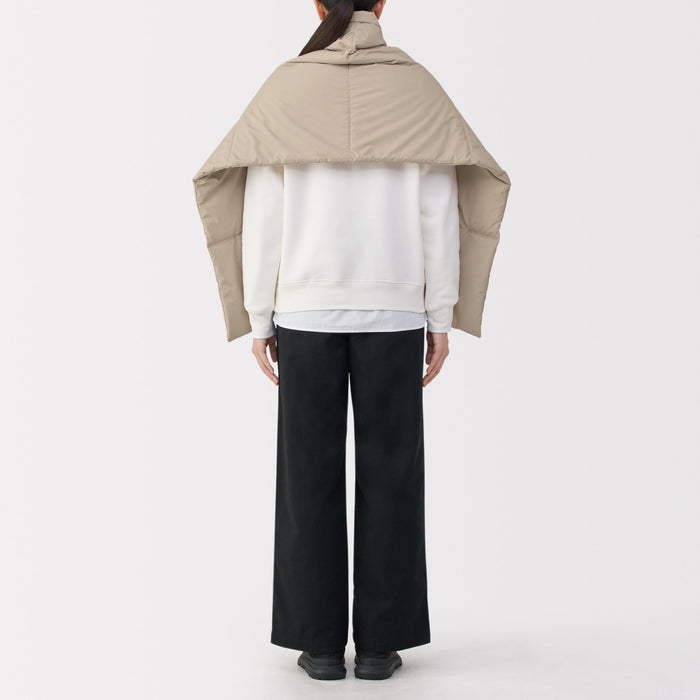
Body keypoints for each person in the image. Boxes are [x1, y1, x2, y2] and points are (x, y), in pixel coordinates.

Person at [192, 0, 510, 683]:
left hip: (304, 311)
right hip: (394, 312)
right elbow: (438, 211)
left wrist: (259, 317)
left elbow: (264, 210)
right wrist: (440, 316)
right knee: (392, 476)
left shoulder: (286, 89)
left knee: (306, 478)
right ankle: (377, 646)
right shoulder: (415, 88)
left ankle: (316, 645)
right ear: (382, 3)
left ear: (317, 4)